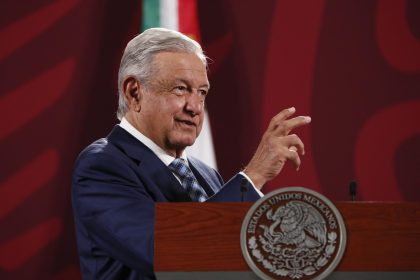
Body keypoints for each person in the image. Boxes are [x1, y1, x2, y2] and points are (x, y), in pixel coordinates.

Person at [72, 27, 311, 280]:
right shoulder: (102, 165)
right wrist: (253, 177)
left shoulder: (206, 174)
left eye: (202, 92)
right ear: (134, 93)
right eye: (180, 89)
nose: (195, 107)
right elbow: (168, 252)